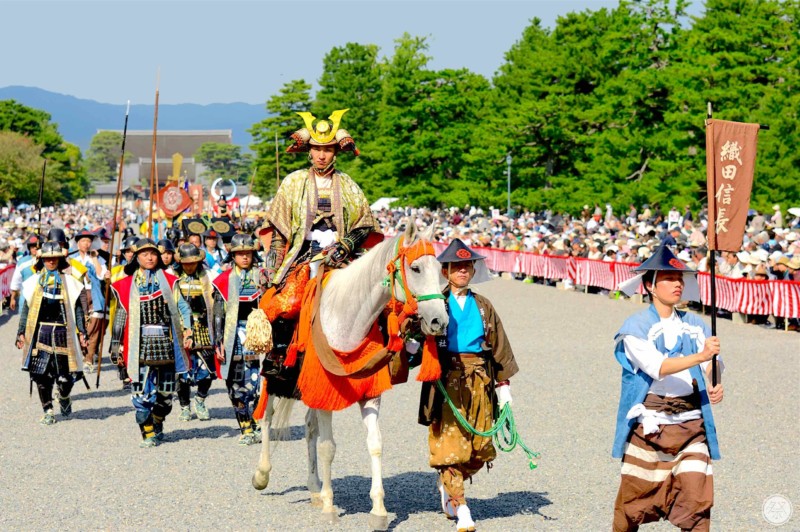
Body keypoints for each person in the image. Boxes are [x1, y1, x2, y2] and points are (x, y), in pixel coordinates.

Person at [258, 109, 380, 394]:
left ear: (335, 151)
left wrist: (346, 244)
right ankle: (280, 356)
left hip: (343, 254)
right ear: (309, 151)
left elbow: (365, 224)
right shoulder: (293, 182)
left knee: (380, 297)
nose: (322, 155)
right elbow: (279, 231)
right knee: (286, 303)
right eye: (317, 149)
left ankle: (388, 353)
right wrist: (271, 267)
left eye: (327, 149)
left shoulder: (348, 184)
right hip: (303, 253)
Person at [613, 244, 724, 532]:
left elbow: (713, 366)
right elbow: (658, 366)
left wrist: (714, 381)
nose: (677, 284)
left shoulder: (696, 323)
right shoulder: (634, 327)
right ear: (649, 286)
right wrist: (701, 356)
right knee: (632, 504)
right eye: (669, 278)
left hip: (691, 426)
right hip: (650, 426)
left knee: (698, 501)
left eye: (680, 279)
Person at [418, 239, 518, 532]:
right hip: (446, 382)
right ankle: (461, 507)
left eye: (467, 266)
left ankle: (448, 483)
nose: (462, 271)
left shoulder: (484, 306)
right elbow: (415, 337)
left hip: (480, 381)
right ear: (445, 271)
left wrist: (504, 385)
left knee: (479, 449)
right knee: (449, 448)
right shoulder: (436, 303)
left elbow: (499, 346)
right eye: (456, 266)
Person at [110, 238, 193, 448]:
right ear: (136, 257)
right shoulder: (126, 285)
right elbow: (121, 315)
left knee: (165, 396)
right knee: (140, 393)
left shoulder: (169, 281)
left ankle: (158, 420)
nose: (149, 257)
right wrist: (115, 343)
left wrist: (188, 330)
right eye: (144, 254)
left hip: (165, 342)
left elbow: (183, 308)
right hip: (137, 343)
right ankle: (147, 433)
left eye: (153, 253)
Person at [16, 241, 87, 425]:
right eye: (48, 258)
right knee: (41, 375)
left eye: (54, 258)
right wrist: (20, 332)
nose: (51, 261)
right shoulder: (33, 282)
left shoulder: (70, 283)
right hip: (40, 333)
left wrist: (82, 332)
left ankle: (64, 396)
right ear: (42, 260)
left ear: (60, 260)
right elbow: (26, 309)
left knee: (65, 378)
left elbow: (78, 310)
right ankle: (48, 410)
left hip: (64, 333)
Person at [212, 234, 266, 445]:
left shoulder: (263, 277)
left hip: (259, 335)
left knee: (259, 383)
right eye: (240, 253)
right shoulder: (222, 281)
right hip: (232, 335)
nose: (244, 257)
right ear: (232, 256)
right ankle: (245, 428)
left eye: (248, 253)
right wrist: (218, 342)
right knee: (236, 383)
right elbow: (218, 314)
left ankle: (257, 421)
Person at [173, 244, 217, 422]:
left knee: (208, 369)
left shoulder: (208, 277)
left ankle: (200, 400)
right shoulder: (174, 278)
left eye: (193, 262)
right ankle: (184, 406)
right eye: (186, 263)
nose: (190, 266)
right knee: (183, 371)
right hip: (181, 328)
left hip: (204, 326)